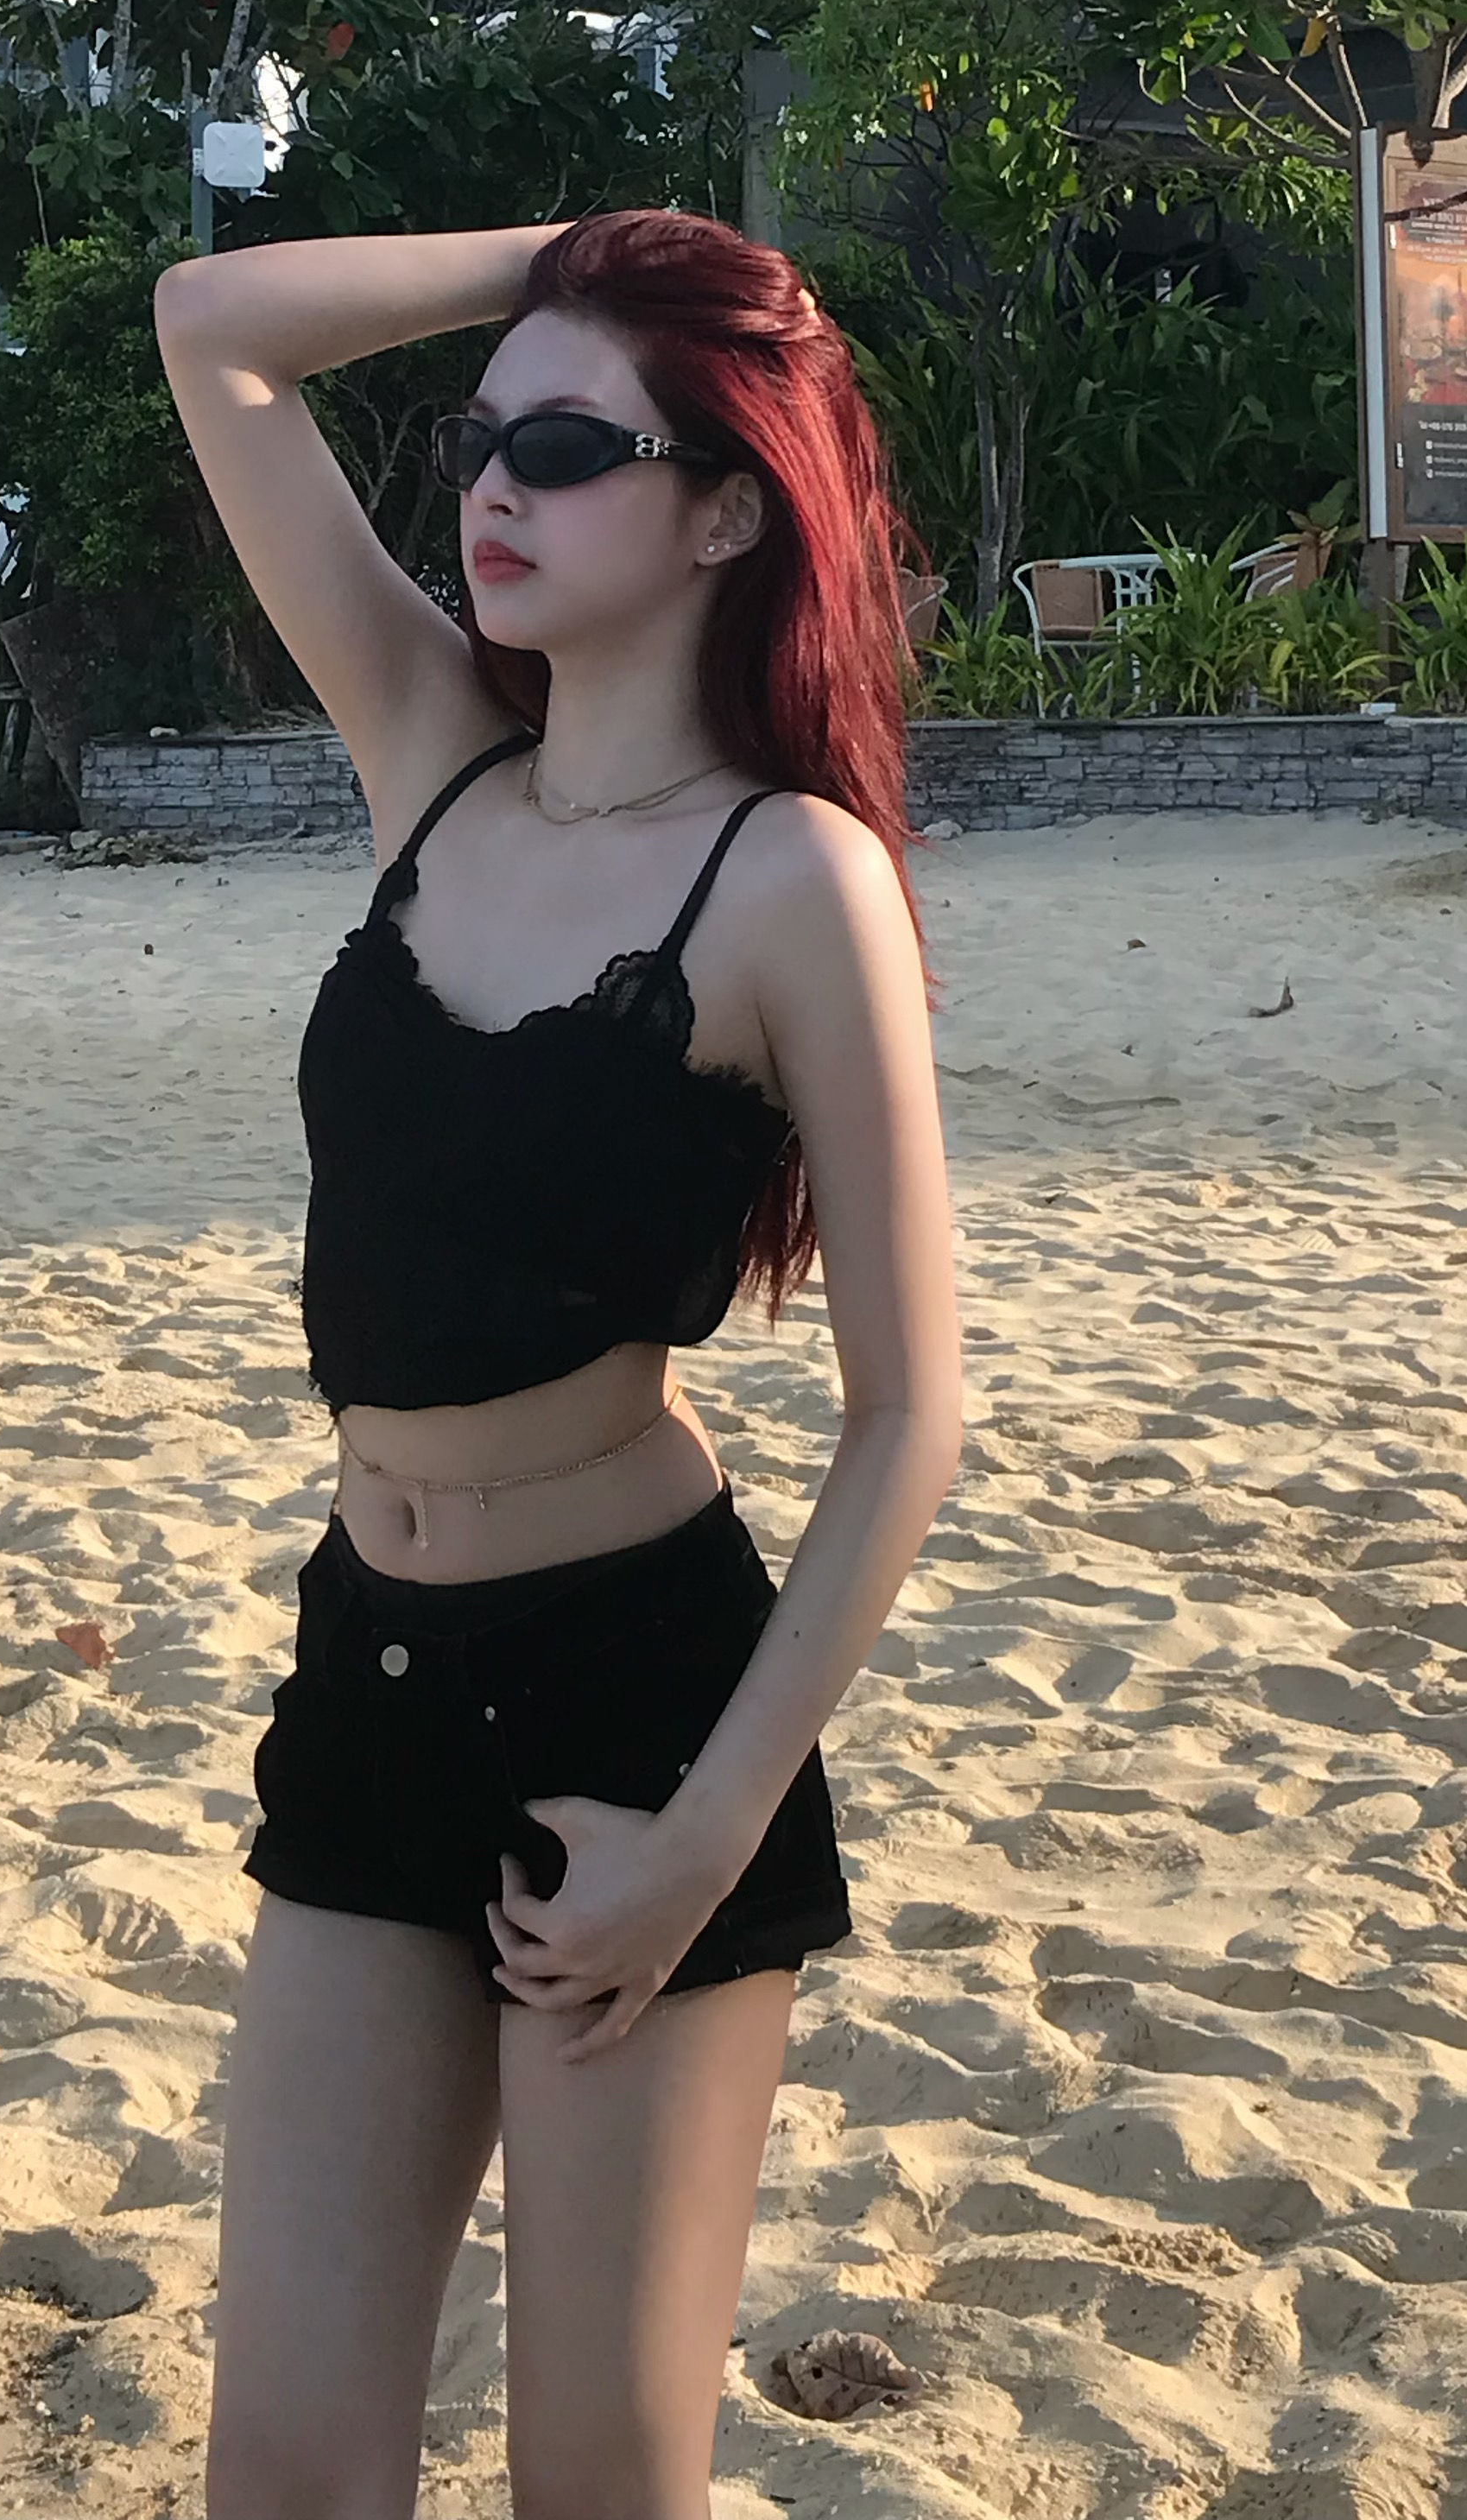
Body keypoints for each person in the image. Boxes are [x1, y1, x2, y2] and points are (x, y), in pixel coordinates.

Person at [155, 206, 962, 2519]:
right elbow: (215, 328)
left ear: (726, 511)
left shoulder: (793, 881)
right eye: (482, 439)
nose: (497, 486)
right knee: (286, 2472)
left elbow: (912, 1412)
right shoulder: (433, 758)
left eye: (574, 447)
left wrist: (704, 1843)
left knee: (597, 2483)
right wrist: (578, 258)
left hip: (641, 1703)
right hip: (373, 1661)